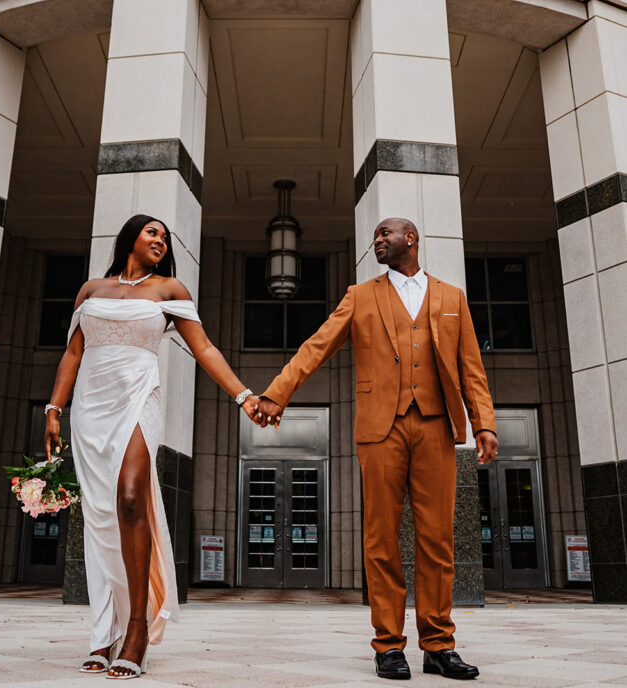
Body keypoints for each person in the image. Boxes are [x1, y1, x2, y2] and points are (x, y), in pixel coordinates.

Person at [255, 217, 498, 681]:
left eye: (385, 234)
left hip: (436, 427)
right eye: (375, 237)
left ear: (410, 238)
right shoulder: (360, 295)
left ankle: (438, 646)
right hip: (380, 429)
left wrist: (483, 423)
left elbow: (472, 367)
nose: (377, 241)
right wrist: (276, 393)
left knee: (438, 541)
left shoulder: (452, 298)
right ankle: (388, 647)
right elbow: (317, 345)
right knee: (381, 540)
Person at [44, 214, 261, 680]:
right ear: (131, 238)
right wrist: (54, 409)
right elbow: (73, 353)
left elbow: (204, 349)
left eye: (165, 236)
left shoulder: (170, 291)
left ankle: (138, 628)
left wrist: (243, 396)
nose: (161, 240)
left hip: (139, 397)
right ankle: (104, 631)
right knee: (101, 516)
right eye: (153, 232)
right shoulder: (91, 290)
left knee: (129, 498)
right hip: (90, 406)